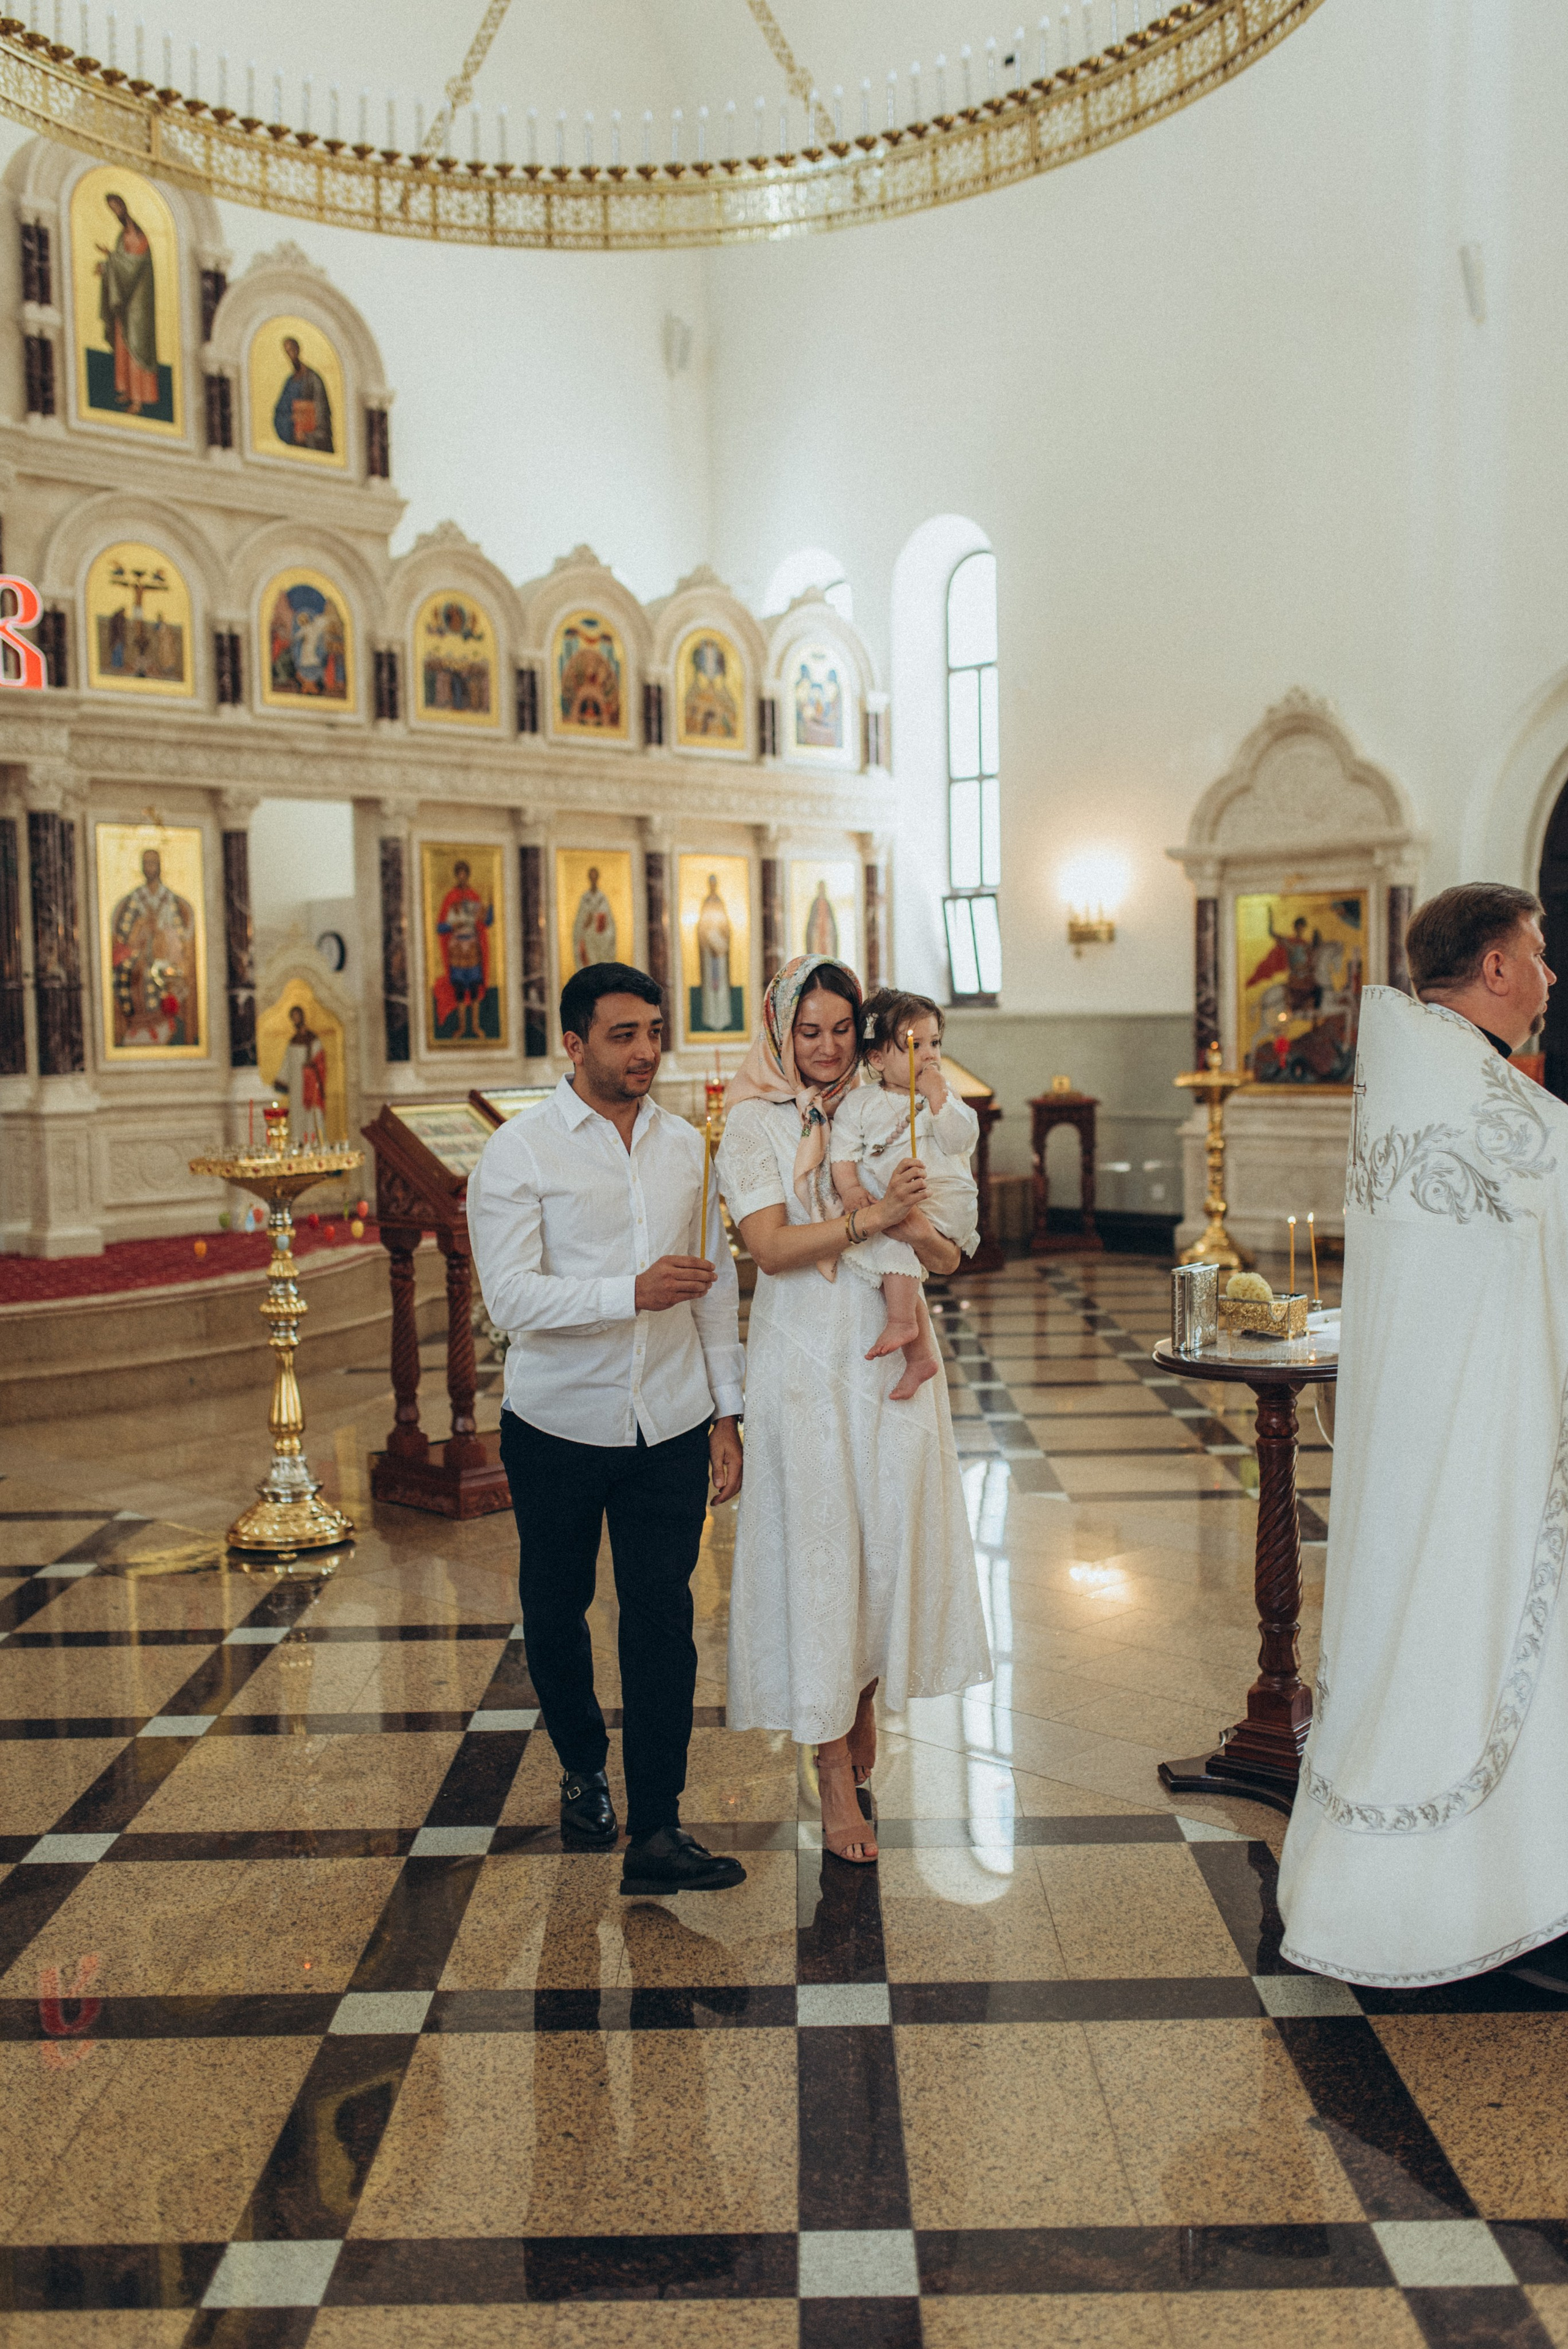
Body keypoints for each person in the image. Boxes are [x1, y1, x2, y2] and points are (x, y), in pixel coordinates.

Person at [1277, 883, 1568, 1988]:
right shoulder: (1482, 1101)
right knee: (1476, 1643)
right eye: (1539, 954)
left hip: (1430, 1433)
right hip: (1482, 1444)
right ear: (1494, 969)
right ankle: (1467, 1899)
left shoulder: (1419, 1075)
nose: (1551, 976)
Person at [469, 960, 747, 1897]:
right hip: (558, 1422)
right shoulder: (522, 1151)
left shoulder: (686, 1147)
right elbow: (509, 1297)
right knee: (556, 1608)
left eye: (654, 1032)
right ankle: (584, 1768)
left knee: (663, 1617)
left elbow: (714, 1285)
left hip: (669, 1419)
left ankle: (660, 1823)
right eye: (624, 1034)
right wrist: (628, 1293)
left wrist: (728, 1410)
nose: (645, 1051)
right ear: (576, 1043)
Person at [716, 954, 992, 1866]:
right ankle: (830, 1760)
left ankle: (861, 1693)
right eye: (810, 1030)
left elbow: (949, 1255)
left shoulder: (886, 1102)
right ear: (780, 1032)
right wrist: (871, 1221)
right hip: (801, 1356)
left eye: (841, 1028)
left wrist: (912, 1224)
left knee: (884, 1539)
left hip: (892, 1351)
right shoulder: (751, 1126)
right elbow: (771, 1247)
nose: (827, 1046)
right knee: (820, 1543)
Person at [830, 989, 981, 1401]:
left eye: (935, 1043)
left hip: (944, 1198)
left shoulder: (944, 1097)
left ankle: (903, 1324)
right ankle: (918, 1352)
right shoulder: (860, 1104)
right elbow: (841, 1154)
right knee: (891, 1245)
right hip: (900, 1202)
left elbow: (960, 1140)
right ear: (877, 1059)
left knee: (892, 1237)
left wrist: (938, 1098)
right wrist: (851, 1189)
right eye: (917, 1045)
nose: (930, 1055)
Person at [95, 192, 157, 415]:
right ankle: (129, 392)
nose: (115, 213)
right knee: (124, 344)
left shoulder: (136, 234)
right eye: (111, 210)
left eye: (116, 208)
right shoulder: (124, 234)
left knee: (136, 346)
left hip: (138, 303)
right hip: (125, 300)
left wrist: (110, 263)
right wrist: (109, 263)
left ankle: (140, 399)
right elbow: (124, 263)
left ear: (123, 207)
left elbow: (134, 265)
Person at [273, 1003, 328, 1144]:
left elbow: (320, 1061)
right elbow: (287, 1063)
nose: (296, 1020)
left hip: (310, 1084)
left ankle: (315, 1143)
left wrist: (311, 1068)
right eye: (293, 1017)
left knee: (312, 1115)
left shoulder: (313, 1040)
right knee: (297, 1113)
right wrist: (281, 1081)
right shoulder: (292, 1041)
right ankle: (299, 1142)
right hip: (296, 1085)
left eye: (298, 1016)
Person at [273, 336, 334, 452]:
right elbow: (280, 409)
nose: (290, 355)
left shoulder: (313, 379)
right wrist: (290, 418)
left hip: (309, 439)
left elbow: (322, 411)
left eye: (291, 350)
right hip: (294, 437)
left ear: (298, 350)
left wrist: (307, 435)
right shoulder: (290, 381)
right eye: (287, 352)